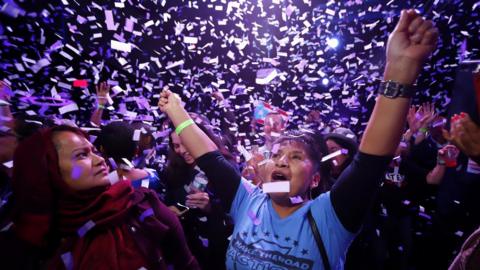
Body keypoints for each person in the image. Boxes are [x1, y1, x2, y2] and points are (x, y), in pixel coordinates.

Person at [158, 9, 439, 269]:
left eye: (296, 157)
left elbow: (370, 162)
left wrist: (400, 69)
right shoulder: (247, 200)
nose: (281, 161)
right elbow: (212, 158)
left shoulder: (329, 216)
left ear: (315, 180)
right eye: (277, 155)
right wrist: (176, 112)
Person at [0, 125, 199, 269]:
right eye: (81, 155)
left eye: (94, 151)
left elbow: (187, 264)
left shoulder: (142, 203)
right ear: (47, 170)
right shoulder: (24, 243)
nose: (99, 161)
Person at [164, 117, 235, 270]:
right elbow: (169, 202)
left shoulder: (225, 167)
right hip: (190, 247)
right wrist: (172, 212)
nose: (182, 150)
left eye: (186, 142)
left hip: (220, 247)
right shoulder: (173, 172)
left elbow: (237, 211)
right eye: (176, 146)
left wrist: (211, 208)